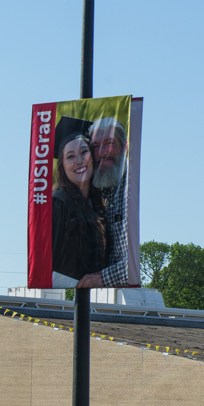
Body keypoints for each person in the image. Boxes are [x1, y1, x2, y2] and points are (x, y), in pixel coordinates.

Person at [51, 118, 108, 286]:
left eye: (84, 152)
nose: (79, 160)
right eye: (70, 157)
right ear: (63, 166)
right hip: (67, 296)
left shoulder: (99, 204)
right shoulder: (58, 204)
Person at [76, 116, 128, 288]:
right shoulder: (93, 188)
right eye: (95, 146)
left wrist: (104, 278)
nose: (101, 152)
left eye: (109, 143)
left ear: (125, 146)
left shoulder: (133, 188)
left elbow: (136, 261)